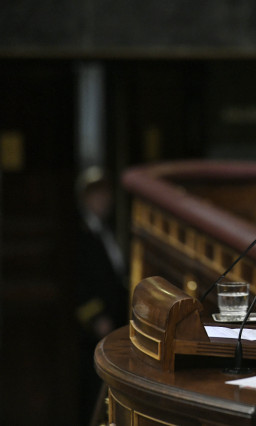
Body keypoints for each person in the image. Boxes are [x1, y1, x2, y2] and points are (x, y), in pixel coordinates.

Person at [75, 166, 129, 424]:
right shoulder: (80, 235)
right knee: (91, 384)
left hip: (115, 319)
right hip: (94, 327)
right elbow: (79, 283)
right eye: (98, 196)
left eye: (106, 195)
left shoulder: (106, 230)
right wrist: (97, 317)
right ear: (86, 198)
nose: (104, 201)